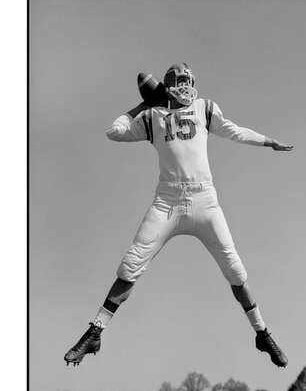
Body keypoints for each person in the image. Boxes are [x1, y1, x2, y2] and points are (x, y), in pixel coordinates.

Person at [64, 63, 293, 368]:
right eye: (180, 80)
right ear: (167, 85)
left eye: (188, 79)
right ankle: (95, 333)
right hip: (168, 202)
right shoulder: (153, 117)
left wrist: (267, 141)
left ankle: (262, 333)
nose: (186, 84)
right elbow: (113, 132)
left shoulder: (205, 108)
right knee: (131, 264)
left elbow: (235, 132)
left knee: (236, 271)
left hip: (205, 201)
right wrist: (143, 104)